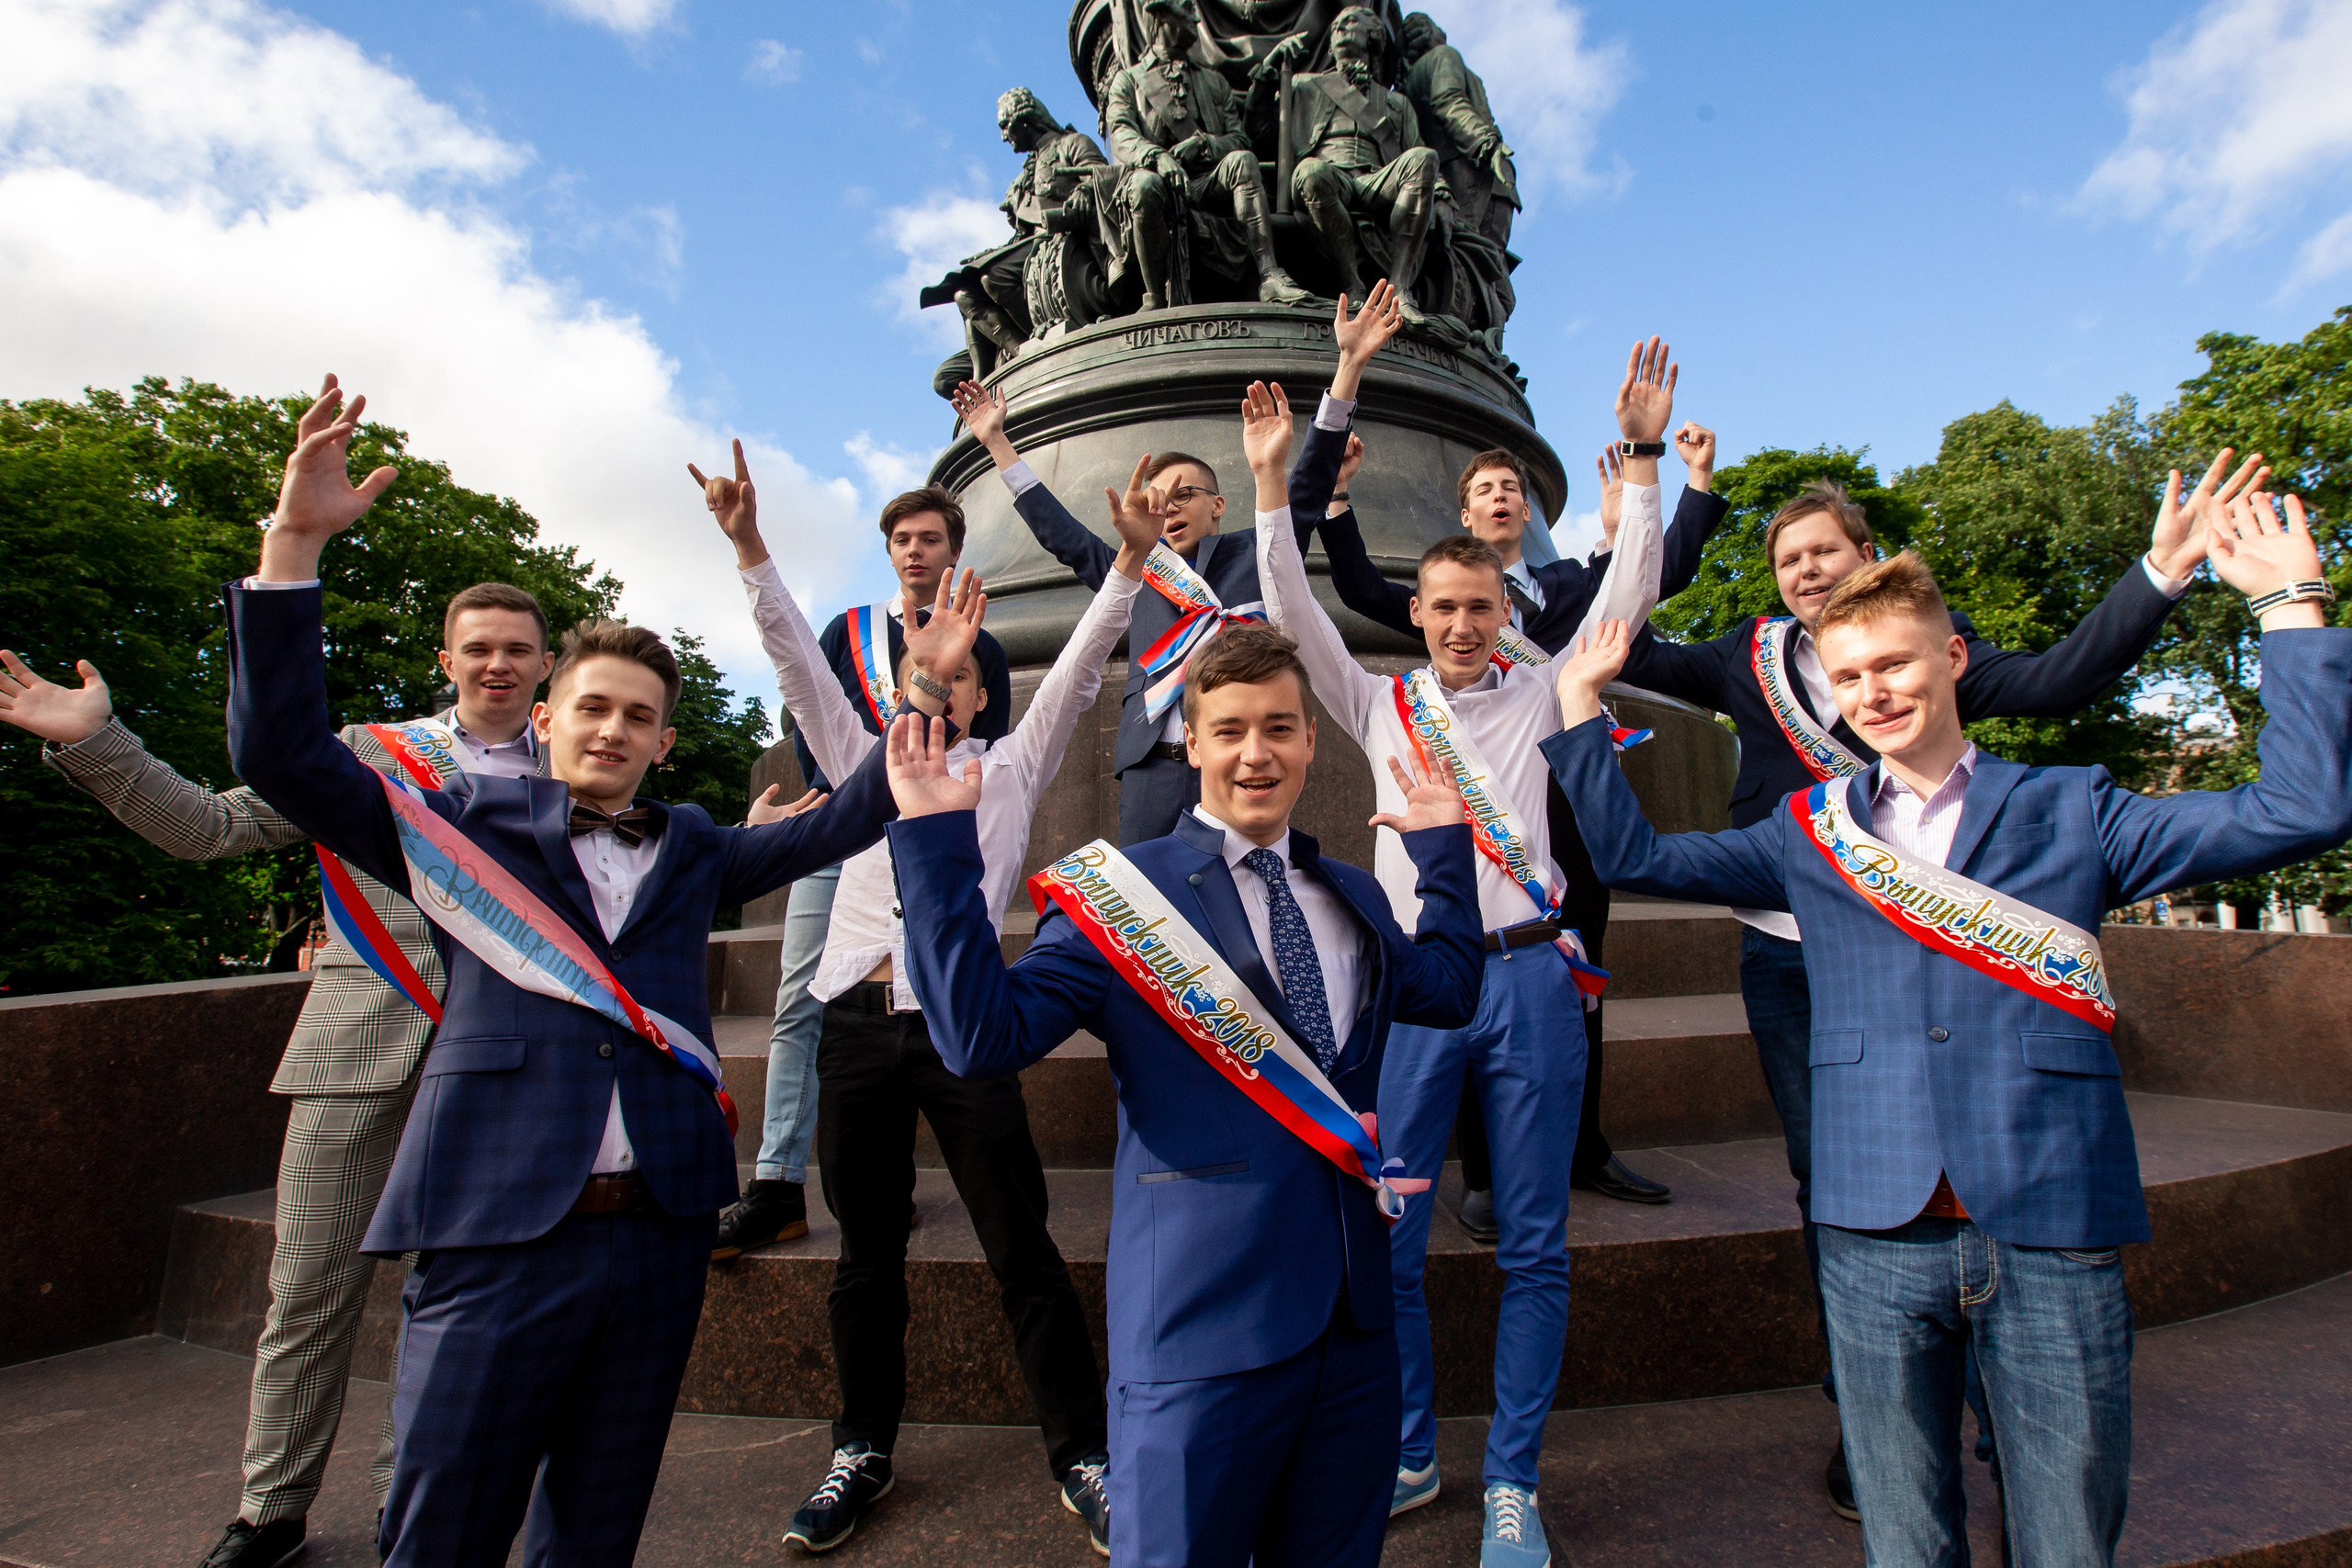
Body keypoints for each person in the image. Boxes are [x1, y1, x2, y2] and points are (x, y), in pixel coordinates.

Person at [1541, 488, 2352, 1567]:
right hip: (1873, 1227)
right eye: (1850, 675)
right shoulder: (1805, 834)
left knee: (2065, 1537)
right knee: (1905, 1539)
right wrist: (1577, 705)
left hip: (2049, 1223)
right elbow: (1638, 860)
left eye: (1896, 665)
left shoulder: (2076, 809)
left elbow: (2297, 809)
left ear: (1953, 658)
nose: (1873, 692)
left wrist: (2290, 606)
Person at [224, 378, 902, 1567]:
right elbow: (279, 752)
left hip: (655, 1240)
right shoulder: (456, 824)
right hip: (496, 1236)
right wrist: (295, 543)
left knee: (595, 1531)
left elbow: (847, 819)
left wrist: (933, 696)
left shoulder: (691, 843)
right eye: (591, 706)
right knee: (442, 1532)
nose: (613, 728)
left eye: (639, 714)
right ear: (545, 718)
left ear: (662, 739)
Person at [0, 412, 567, 1568]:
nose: (498, 663)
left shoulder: (590, 772)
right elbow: (207, 829)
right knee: (306, 1294)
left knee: (453, 1314)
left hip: (508, 1076)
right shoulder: (366, 751)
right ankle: (270, 1512)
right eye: (478, 647)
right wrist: (99, 744)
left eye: (518, 646)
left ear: (547, 662)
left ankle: (416, 1512)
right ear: (446, 661)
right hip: (358, 1047)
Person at [881, 619, 1484, 1568]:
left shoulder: (1356, 895)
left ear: (1310, 741)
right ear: (1190, 742)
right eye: (1232, 729)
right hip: (1201, 1333)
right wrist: (935, 849)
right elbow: (979, 1040)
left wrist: (1447, 857)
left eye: (1280, 728)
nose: (1257, 753)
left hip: (1355, 1332)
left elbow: (1449, 994)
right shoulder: (1119, 898)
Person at [692, 446, 1159, 1556]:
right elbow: (799, 662)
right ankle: (861, 1446)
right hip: (853, 1029)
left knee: (1022, 1248)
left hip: (964, 1031)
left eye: (959, 675)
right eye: (924, 672)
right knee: (866, 1255)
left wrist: (1131, 565)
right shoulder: (862, 761)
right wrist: (752, 547)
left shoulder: (1009, 770)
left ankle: (1079, 1453)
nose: (941, 687)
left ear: (987, 690)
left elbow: (1088, 661)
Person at [1253, 355, 1667, 1565]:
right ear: (1418, 611)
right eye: (1439, 605)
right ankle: (1412, 1441)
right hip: (1419, 988)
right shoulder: (1380, 704)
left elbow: (1629, 591)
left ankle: (1514, 1481)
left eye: (1479, 605)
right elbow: (1290, 614)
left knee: (1535, 1238)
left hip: (1536, 977)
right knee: (1390, 1234)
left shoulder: (1552, 692)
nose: (1459, 624)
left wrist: (1641, 466)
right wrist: (1272, 488)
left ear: (1504, 610)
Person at [1310, 346, 1730, 1210]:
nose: (1466, 623)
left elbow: (1644, 586)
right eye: (1486, 490)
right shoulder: (1429, 615)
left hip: (1567, 815)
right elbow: (1343, 586)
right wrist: (1327, 494)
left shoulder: (1575, 588)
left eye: (1514, 490)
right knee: (1459, 1001)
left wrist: (1654, 478)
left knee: (1571, 992)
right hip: (1456, 842)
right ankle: (1484, 1174)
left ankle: (1577, 1145)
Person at [687, 472, 1014, 1261]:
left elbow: (988, 735)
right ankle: (776, 1183)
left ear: (954, 551)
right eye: (902, 539)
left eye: (929, 538)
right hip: (840, 831)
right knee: (805, 998)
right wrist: (829, 799)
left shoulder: (985, 644)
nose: (914, 550)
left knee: (923, 1001)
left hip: (929, 831)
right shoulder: (854, 628)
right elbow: (805, 698)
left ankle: (880, 1180)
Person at [952, 285, 1383, 846]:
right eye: (1156, 497)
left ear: (1218, 505)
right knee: (1152, 914)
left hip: (1244, 762)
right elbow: (1062, 536)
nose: (1167, 506)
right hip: (1156, 761)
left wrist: (1348, 365)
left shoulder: (1259, 552)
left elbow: (1305, 485)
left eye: (1184, 495)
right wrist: (997, 443)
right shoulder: (1134, 573)